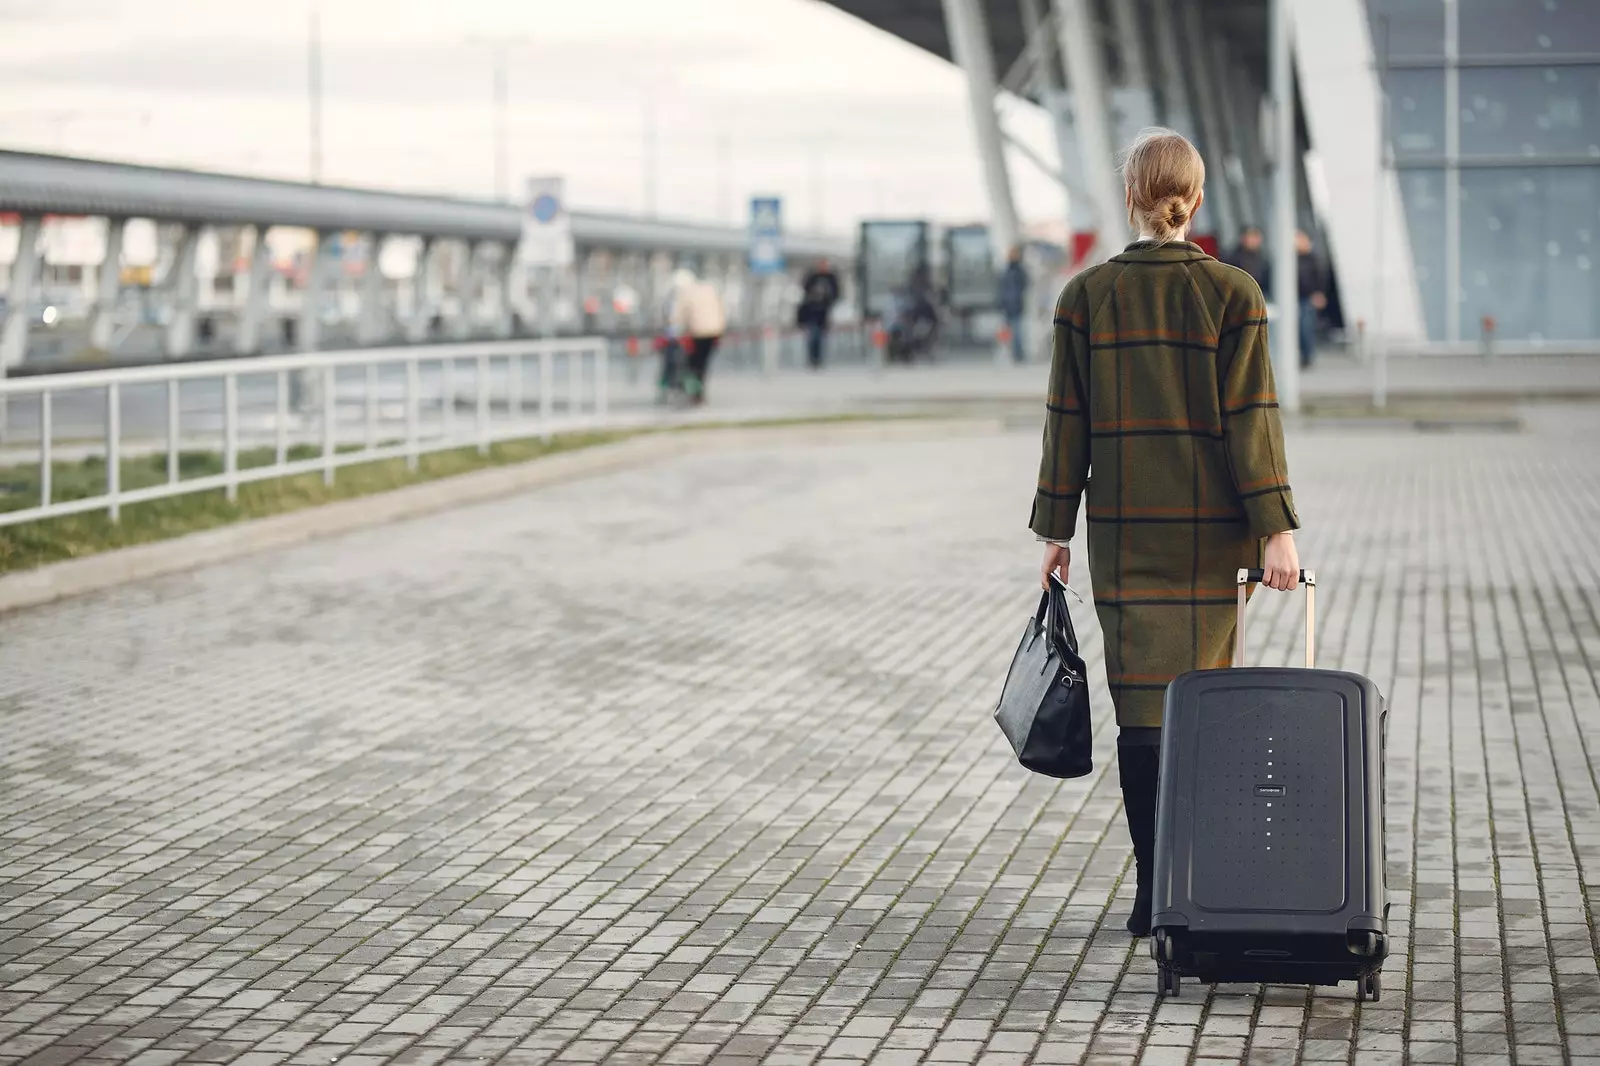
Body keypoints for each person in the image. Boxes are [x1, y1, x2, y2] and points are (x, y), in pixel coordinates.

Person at [1031, 127, 1302, 938]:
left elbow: (1063, 426)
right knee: (1203, 708)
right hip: (1214, 539)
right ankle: (1196, 885)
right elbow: (1253, 423)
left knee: (1142, 716)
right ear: (1198, 197)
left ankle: (1154, 891)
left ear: (1130, 198)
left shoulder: (1085, 295)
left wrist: (1056, 530)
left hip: (1123, 536)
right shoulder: (1235, 293)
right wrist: (1277, 532)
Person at [669, 268, 726, 405]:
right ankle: (699, 392)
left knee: (694, 364)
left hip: (698, 333)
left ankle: (695, 393)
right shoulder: (708, 289)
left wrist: (674, 330)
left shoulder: (686, 293)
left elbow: (677, 316)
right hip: (715, 331)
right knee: (703, 363)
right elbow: (720, 307)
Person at [797, 258, 841, 370]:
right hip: (812, 313)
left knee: (821, 338)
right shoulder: (812, 277)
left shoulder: (831, 278)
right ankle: (812, 359)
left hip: (824, 313)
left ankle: (819, 359)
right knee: (812, 337)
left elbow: (836, 293)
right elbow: (804, 289)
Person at [1296, 230, 1327, 369]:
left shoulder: (1314, 259)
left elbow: (1322, 279)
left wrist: (1319, 294)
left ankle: (1307, 356)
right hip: (1294, 299)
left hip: (1308, 298)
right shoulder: (1291, 259)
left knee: (1306, 327)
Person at [997, 245, 1030, 364]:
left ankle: (1018, 354)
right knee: (1007, 331)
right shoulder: (1006, 270)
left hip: (1016, 305)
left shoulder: (1019, 270)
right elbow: (1002, 288)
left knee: (1017, 331)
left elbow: (1024, 285)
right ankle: (1007, 353)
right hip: (1007, 305)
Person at [1223, 225, 1270, 293]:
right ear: (1243, 238)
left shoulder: (1264, 262)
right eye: (1251, 236)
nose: (1254, 240)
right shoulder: (1231, 259)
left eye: (1256, 237)